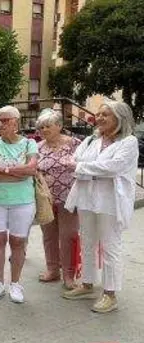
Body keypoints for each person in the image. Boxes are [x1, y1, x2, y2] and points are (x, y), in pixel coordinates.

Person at [63, 101, 139, 313]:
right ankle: (87, 284)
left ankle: (110, 293)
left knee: (110, 246)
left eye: (106, 114)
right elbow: (74, 160)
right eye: (98, 114)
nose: (100, 117)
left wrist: (81, 168)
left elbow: (113, 168)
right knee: (87, 241)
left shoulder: (128, 142)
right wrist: (85, 169)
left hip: (110, 201)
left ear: (120, 117)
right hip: (87, 197)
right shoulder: (91, 140)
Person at [0, 106, 38, 304]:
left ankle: (15, 283)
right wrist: (17, 171)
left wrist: (3, 169)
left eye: (5, 120)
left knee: (17, 242)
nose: (0, 124)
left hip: (22, 200)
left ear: (16, 122)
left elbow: (32, 169)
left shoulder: (29, 144)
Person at [35, 109, 81, 289]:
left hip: (69, 198)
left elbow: (84, 164)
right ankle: (52, 269)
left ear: (59, 126)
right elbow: (34, 169)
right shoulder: (38, 147)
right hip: (46, 199)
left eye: (48, 126)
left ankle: (69, 275)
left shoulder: (74, 144)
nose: (43, 130)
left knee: (68, 235)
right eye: (41, 127)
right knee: (49, 235)